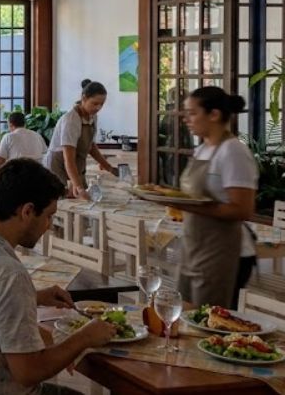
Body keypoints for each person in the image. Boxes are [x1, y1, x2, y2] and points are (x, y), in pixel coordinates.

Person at [0, 158, 115, 395]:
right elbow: (28, 372)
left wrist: (33, 297)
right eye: (48, 216)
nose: (49, 226)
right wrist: (84, 337)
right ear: (27, 211)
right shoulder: (8, 273)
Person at [143, 87, 255, 308]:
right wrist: (166, 195)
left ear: (214, 114)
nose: (186, 119)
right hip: (194, 246)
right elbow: (193, 196)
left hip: (223, 252)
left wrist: (184, 204)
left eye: (192, 113)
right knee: (182, 313)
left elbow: (243, 209)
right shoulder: (202, 149)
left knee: (206, 319)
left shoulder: (233, 152)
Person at [43, 79, 116, 198]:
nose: (98, 108)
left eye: (101, 104)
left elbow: (90, 146)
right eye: (95, 103)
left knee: (82, 198)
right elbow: (68, 159)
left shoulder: (92, 117)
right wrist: (78, 186)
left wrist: (109, 167)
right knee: (62, 199)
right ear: (84, 98)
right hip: (58, 163)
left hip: (77, 162)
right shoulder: (71, 120)